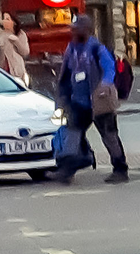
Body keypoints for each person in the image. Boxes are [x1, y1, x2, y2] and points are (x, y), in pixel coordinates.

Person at [53, 14, 127, 183]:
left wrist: (104, 85)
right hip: (79, 102)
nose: (74, 32)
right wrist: (63, 96)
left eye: (77, 29)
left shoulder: (96, 48)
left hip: (99, 101)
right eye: (73, 29)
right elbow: (66, 74)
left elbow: (110, 68)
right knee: (72, 134)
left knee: (109, 136)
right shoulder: (71, 49)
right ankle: (67, 170)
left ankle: (120, 169)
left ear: (87, 30)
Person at [0, 12, 31, 88]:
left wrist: (16, 41)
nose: (4, 21)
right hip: (2, 67)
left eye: (7, 19)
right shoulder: (1, 34)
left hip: (16, 68)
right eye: (4, 19)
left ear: (13, 22)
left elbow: (25, 52)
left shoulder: (20, 34)